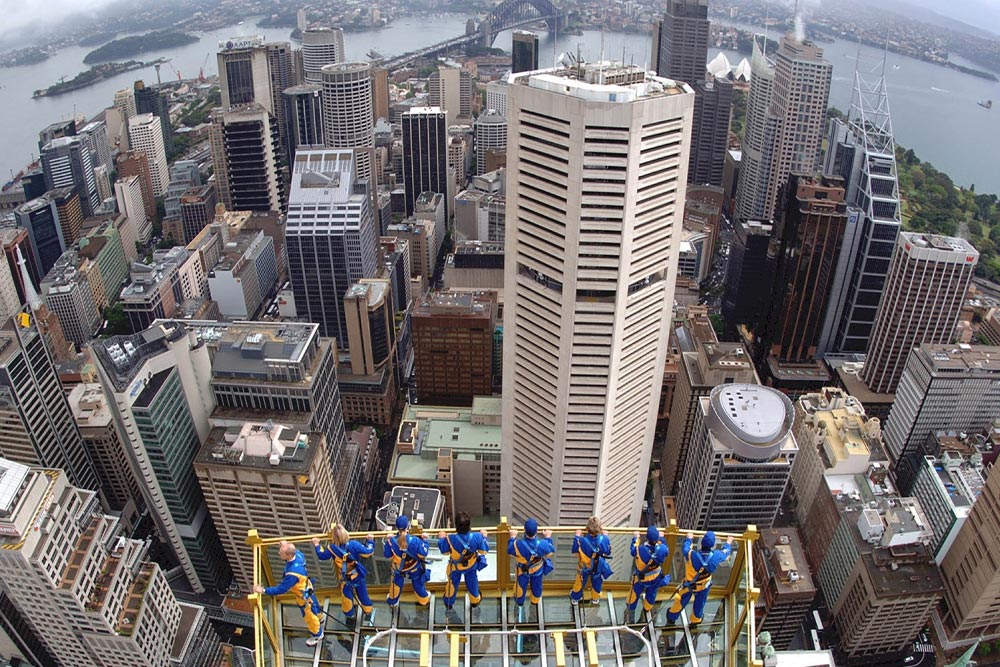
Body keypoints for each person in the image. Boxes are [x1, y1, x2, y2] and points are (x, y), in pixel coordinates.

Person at [253, 541, 324, 646]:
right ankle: (320, 617)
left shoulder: (292, 574)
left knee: (309, 617)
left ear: (289, 555)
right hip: (307, 588)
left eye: (281, 553)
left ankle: (317, 634)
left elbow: (281, 589)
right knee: (315, 606)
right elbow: (294, 550)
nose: (279, 553)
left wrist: (263, 590)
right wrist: (285, 545)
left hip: (303, 596)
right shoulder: (298, 555)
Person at [666, 531, 734, 625]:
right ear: (712, 546)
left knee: (681, 600)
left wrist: (689, 538)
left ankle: (672, 617)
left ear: (701, 544)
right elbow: (725, 553)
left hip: (689, 585)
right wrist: (728, 543)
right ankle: (695, 620)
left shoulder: (692, 555)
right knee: (699, 604)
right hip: (703, 586)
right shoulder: (716, 556)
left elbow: (685, 548)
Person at [313, 525, 375, 622]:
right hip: (357, 574)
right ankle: (368, 611)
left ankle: (350, 615)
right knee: (362, 593)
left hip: (345, 577)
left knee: (346, 596)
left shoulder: (332, 548)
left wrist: (317, 545)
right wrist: (370, 540)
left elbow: (322, 555)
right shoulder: (354, 545)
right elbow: (368, 552)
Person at [437, 512, 490, 610]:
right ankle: (475, 601)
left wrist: (441, 538)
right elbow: (484, 551)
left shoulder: (450, 538)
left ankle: (449, 602)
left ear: (456, 525)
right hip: (471, 566)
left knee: (452, 584)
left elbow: (444, 552)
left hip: (455, 567)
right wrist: (484, 537)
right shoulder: (477, 537)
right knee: (472, 583)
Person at [384, 515, 431, 607]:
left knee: (396, 584)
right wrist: (425, 541)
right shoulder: (415, 541)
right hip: (413, 566)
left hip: (398, 568)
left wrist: (388, 541)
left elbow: (388, 556)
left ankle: (393, 602)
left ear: (397, 527)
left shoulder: (391, 541)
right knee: (417, 582)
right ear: (408, 526)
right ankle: (423, 600)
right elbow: (423, 554)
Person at [507, 518, 555, 607]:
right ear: (536, 531)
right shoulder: (543, 544)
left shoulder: (517, 544)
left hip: (523, 570)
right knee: (537, 586)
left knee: (520, 586)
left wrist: (512, 537)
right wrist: (548, 537)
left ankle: (520, 602)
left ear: (524, 530)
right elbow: (551, 551)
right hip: (537, 570)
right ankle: (534, 601)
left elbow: (510, 551)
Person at [569, 516, 613, 606]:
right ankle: (595, 598)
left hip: (584, 566)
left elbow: (574, 551)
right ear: (600, 528)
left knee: (580, 581)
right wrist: (605, 536)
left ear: (587, 529)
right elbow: (608, 552)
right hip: (598, 567)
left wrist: (577, 536)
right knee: (597, 582)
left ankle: (575, 598)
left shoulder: (582, 541)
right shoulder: (604, 539)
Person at [626, 525, 670, 614]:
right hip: (655, 578)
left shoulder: (640, 549)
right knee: (651, 594)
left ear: (647, 537)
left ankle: (630, 608)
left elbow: (633, 550)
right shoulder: (662, 549)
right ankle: (647, 608)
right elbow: (665, 550)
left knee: (634, 593)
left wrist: (636, 538)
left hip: (640, 579)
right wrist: (662, 538)